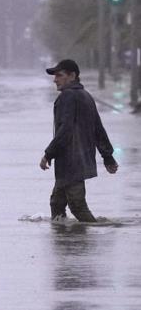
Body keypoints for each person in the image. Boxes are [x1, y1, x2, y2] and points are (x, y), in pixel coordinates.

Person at [39, 59, 118, 222]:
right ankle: (67, 241)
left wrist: (48, 154)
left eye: (59, 75)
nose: (55, 79)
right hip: (79, 160)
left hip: (71, 161)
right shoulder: (86, 96)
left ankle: (88, 242)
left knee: (77, 205)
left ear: (72, 76)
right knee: (57, 203)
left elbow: (65, 130)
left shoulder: (68, 96)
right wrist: (107, 156)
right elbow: (98, 129)